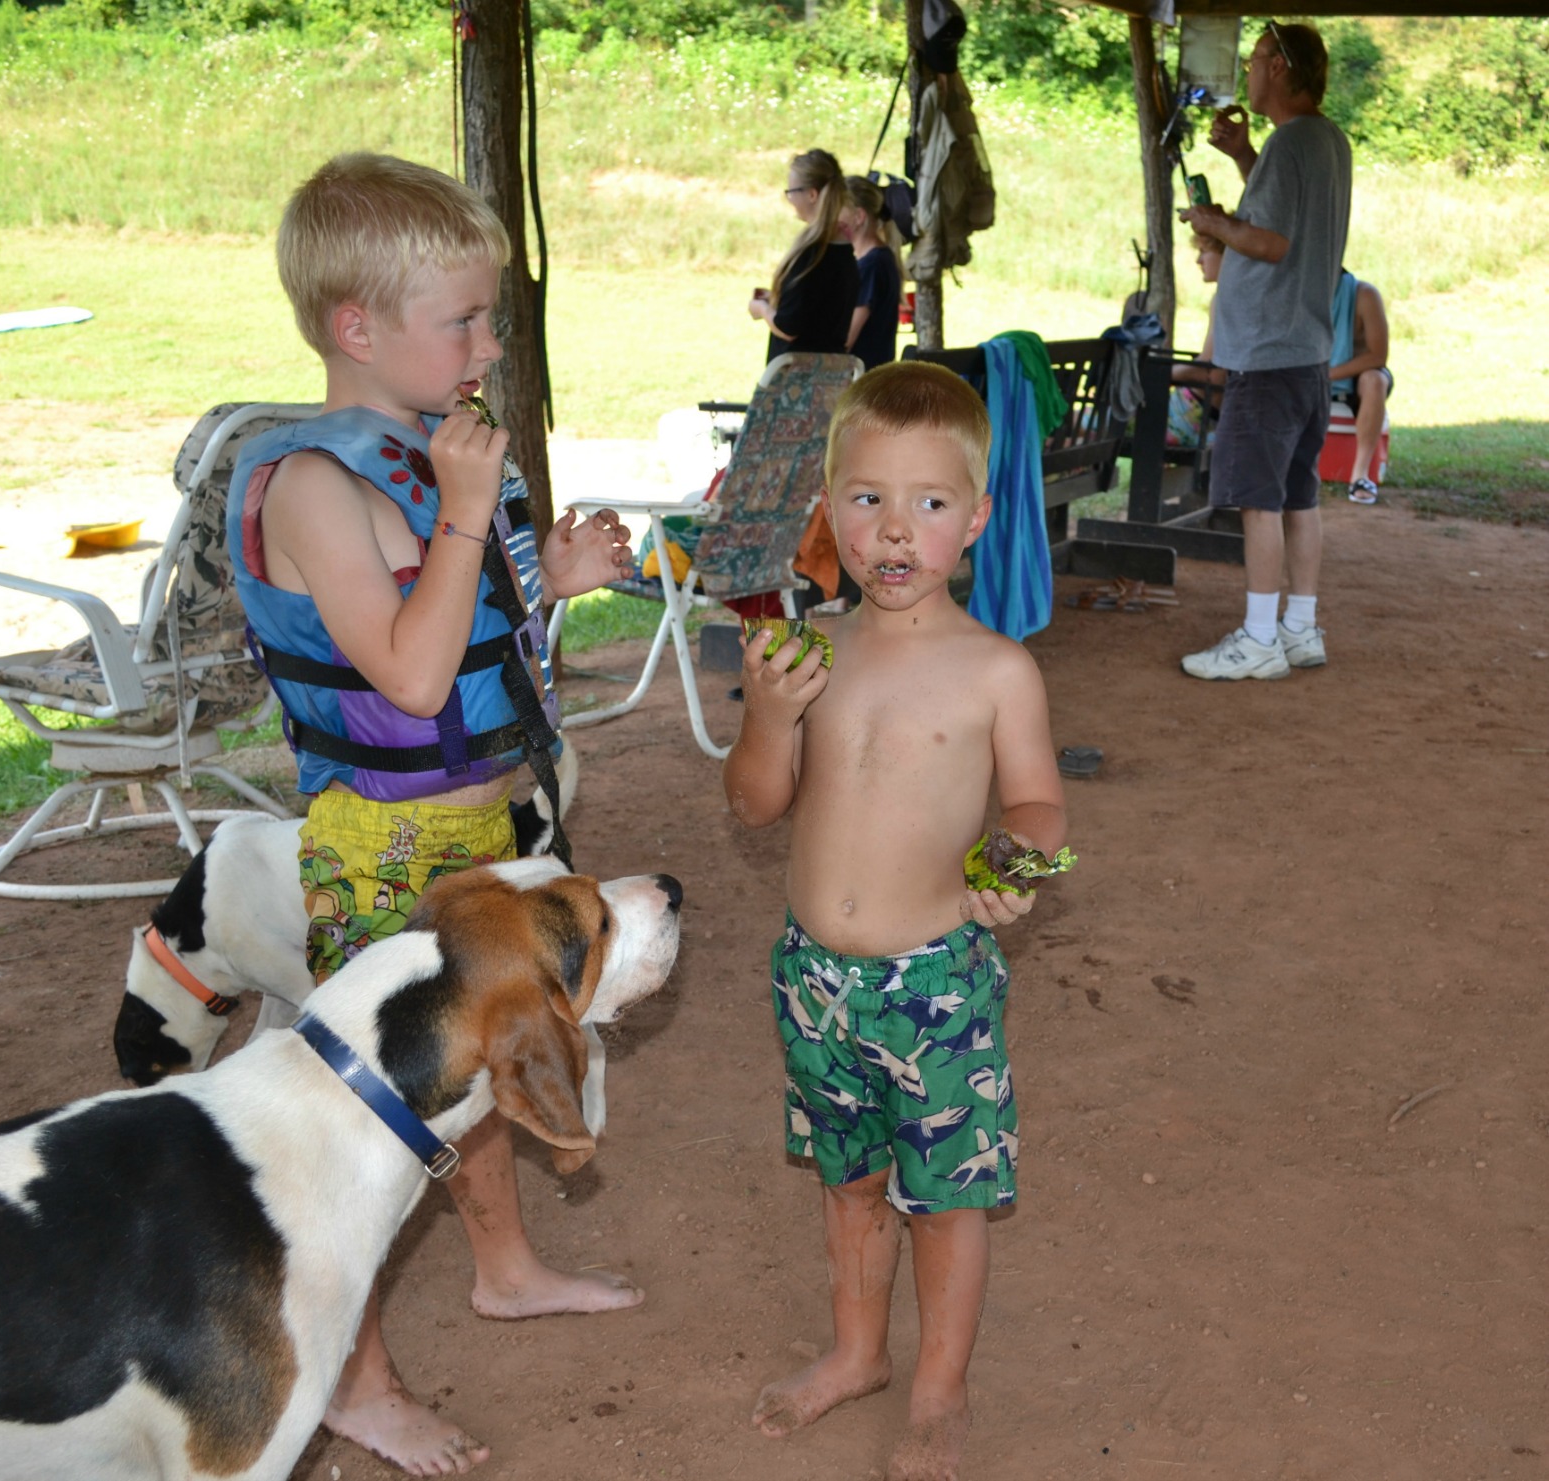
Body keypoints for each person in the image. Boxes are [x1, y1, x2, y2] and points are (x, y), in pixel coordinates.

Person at [226, 152, 637, 1476]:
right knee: (372, 1120)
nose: (485, 343)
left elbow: (464, 634)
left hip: (478, 820)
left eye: (489, 317)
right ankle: (355, 1378)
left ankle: (503, 1267)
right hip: (381, 838)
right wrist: (471, 514)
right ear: (355, 326)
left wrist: (549, 577)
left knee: (489, 1053)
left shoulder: (424, 457)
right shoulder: (313, 486)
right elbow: (403, 674)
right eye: (460, 319)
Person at [722, 361, 1068, 1481]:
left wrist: (1010, 859)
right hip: (811, 978)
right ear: (829, 509)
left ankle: (936, 1388)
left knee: (947, 1200)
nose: (892, 530)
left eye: (927, 502)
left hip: (935, 985)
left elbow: (1035, 802)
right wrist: (768, 718)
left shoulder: (994, 670)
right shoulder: (810, 655)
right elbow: (753, 804)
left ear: (973, 518)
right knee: (849, 1183)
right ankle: (858, 1352)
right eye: (865, 497)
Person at [1178, 20, 1352, 681]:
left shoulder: (1291, 144)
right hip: (1307, 349)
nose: (1247, 72)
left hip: (1267, 352)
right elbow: (1290, 217)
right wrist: (1243, 157)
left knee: (1258, 499)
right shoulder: (1324, 140)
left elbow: (1273, 242)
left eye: (1254, 59)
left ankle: (1257, 638)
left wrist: (1212, 223)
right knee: (1299, 497)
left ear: (1279, 67)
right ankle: (1299, 629)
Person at [748, 149, 860, 365]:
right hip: (830, 380)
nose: (790, 198)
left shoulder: (812, 254)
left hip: (795, 380)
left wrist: (762, 309)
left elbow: (788, 328)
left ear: (811, 194)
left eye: (792, 191)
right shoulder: (844, 252)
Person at [1328, 268, 1392, 503]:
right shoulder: (1298, 293)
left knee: (1375, 380)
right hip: (1311, 371)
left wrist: (1328, 374)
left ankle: (1360, 475)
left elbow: (1378, 356)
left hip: (1354, 377)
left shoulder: (1364, 295)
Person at [840, 174, 907, 372]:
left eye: (836, 210)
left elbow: (845, 340)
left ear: (859, 217)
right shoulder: (875, 261)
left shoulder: (873, 265)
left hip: (863, 384)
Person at [1167, 229, 1228, 447]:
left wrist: (1158, 374)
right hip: (1211, 414)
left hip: (1192, 412)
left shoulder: (1225, 300)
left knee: (1082, 419)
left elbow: (1211, 373)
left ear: (1227, 254)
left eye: (1205, 252)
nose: (1198, 260)